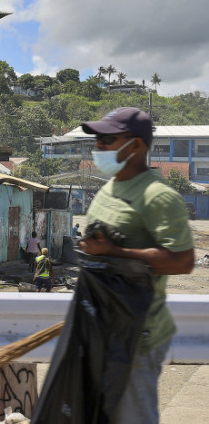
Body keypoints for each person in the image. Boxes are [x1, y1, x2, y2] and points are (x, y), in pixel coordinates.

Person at [78, 107, 194, 423]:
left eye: (107, 138)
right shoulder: (110, 187)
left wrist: (116, 250)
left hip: (136, 339)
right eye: (97, 139)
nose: (98, 146)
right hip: (102, 331)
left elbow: (183, 261)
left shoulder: (158, 196)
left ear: (136, 145)